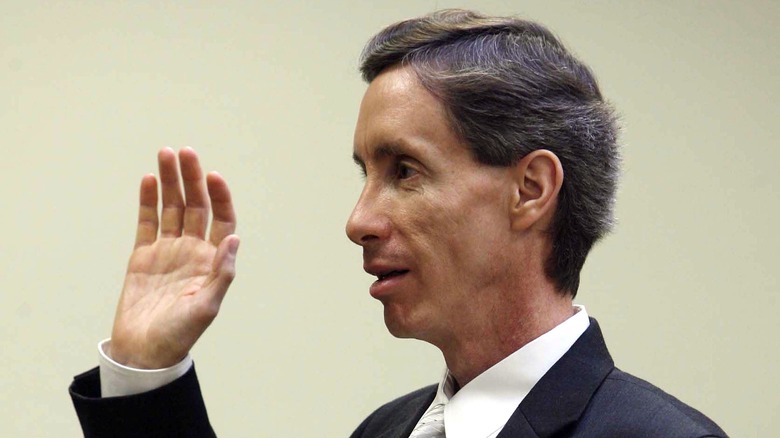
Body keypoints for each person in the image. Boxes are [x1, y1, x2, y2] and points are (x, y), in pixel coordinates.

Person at [69, 9, 726, 438]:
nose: (359, 221)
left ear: (530, 190)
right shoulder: (385, 430)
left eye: (405, 171)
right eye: (365, 173)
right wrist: (145, 371)